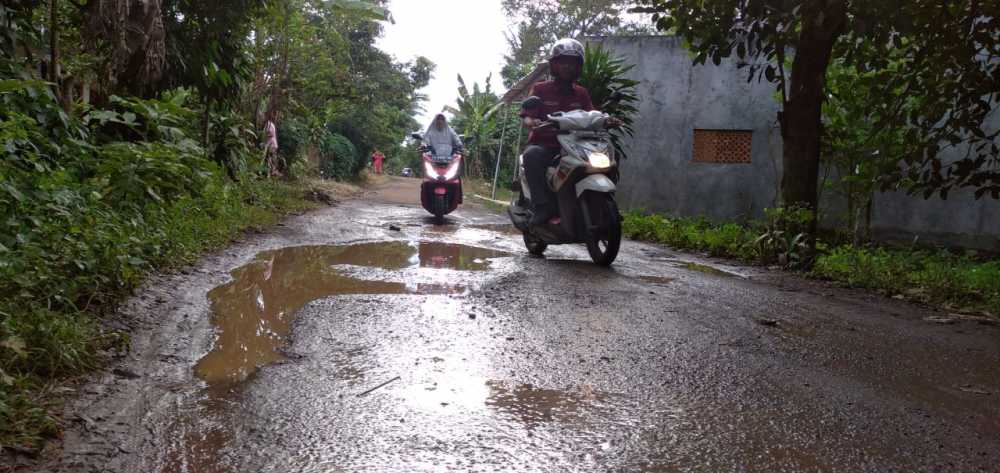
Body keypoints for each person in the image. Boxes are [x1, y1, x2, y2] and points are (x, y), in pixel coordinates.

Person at [520, 38, 617, 226]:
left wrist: (607, 120)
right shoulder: (540, 89)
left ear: (578, 66)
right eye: (563, 62)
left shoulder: (581, 93)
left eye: (572, 63)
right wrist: (531, 121)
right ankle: (542, 206)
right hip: (547, 145)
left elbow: (591, 115)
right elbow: (527, 116)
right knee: (531, 155)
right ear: (554, 65)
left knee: (612, 156)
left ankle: (603, 204)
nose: (568, 67)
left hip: (576, 145)